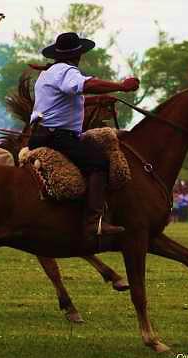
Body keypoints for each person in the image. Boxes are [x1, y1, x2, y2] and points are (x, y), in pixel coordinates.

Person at [27, 32, 139, 252]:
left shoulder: (49, 72)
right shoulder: (67, 71)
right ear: (78, 55)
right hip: (59, 137)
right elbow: (86, 84)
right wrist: (121, 86)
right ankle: (94, 221)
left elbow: (68, 97)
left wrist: (97, 100)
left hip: (41, 134)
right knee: (100, 161)